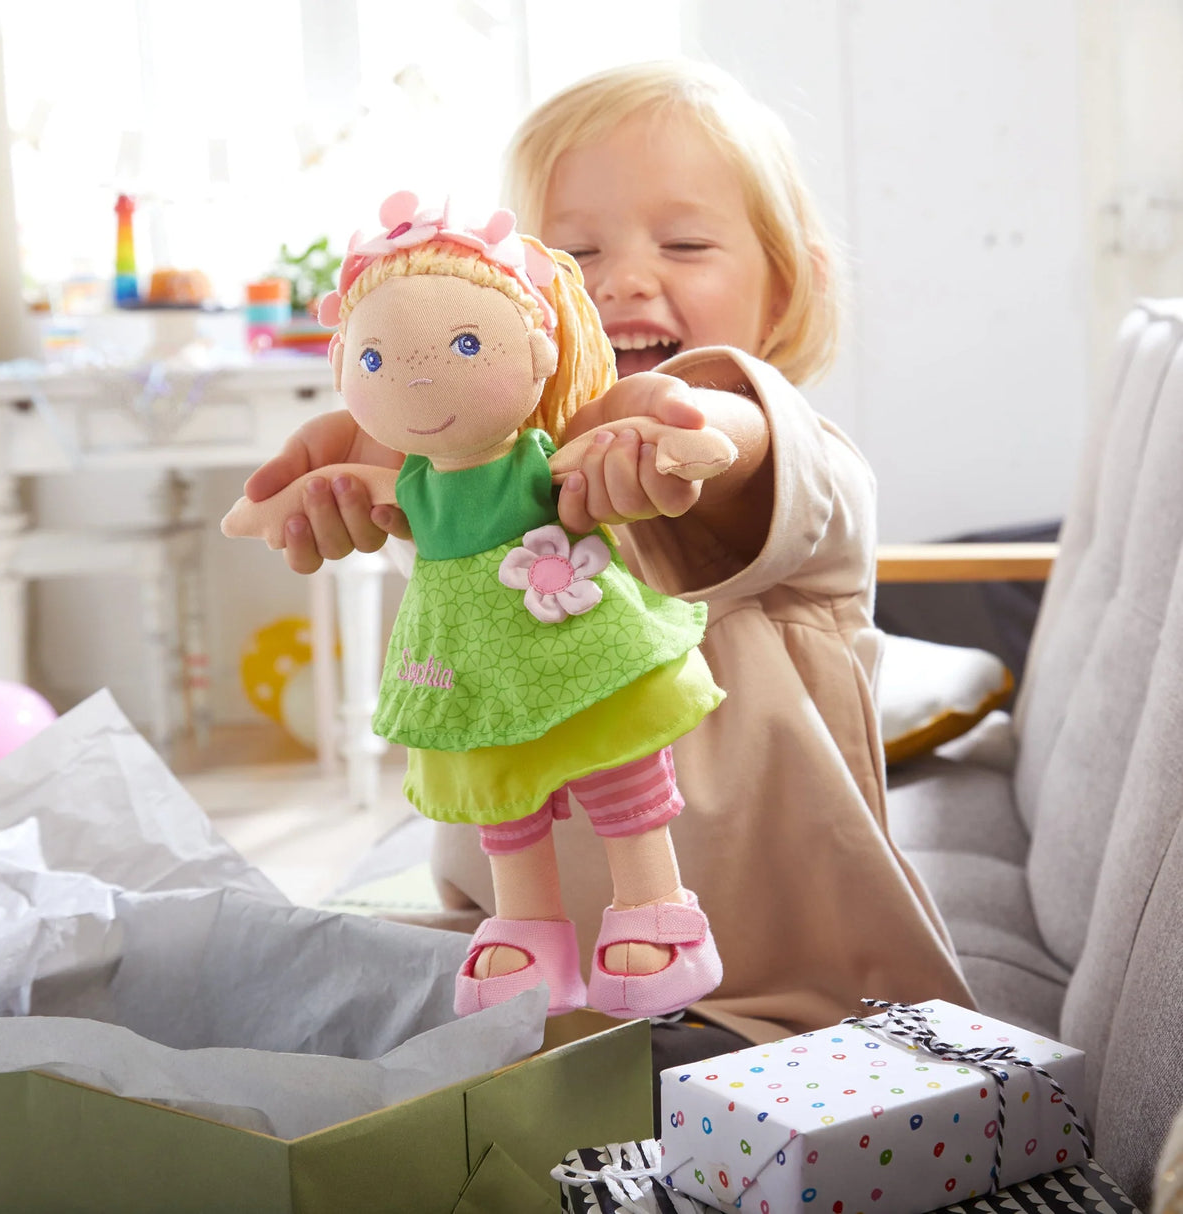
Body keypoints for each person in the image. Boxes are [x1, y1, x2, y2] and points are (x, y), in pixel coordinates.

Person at [244, 60, 973, 1059]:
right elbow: (424, 516)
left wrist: (673, 424)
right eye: (572, 253)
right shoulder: (484, 483)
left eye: (684, 243)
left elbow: (739, 432)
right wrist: (375, 464)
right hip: (516, 977)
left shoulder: (790, 457)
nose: (621, 278)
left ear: (783, 285)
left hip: (775, 1005)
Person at [225, 194, 735, 1019]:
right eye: (379, 362)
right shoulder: (413, 483)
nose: (423, 376)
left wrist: (676, 438)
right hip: (463, 655)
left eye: (467, 344)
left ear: (540, 350)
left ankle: (653, 908)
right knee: (499, 786)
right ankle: (525, 930)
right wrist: (272, 504)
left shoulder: (539, 457)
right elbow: (342, 488)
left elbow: (700, 438)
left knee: (614, 751)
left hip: (569, 628)